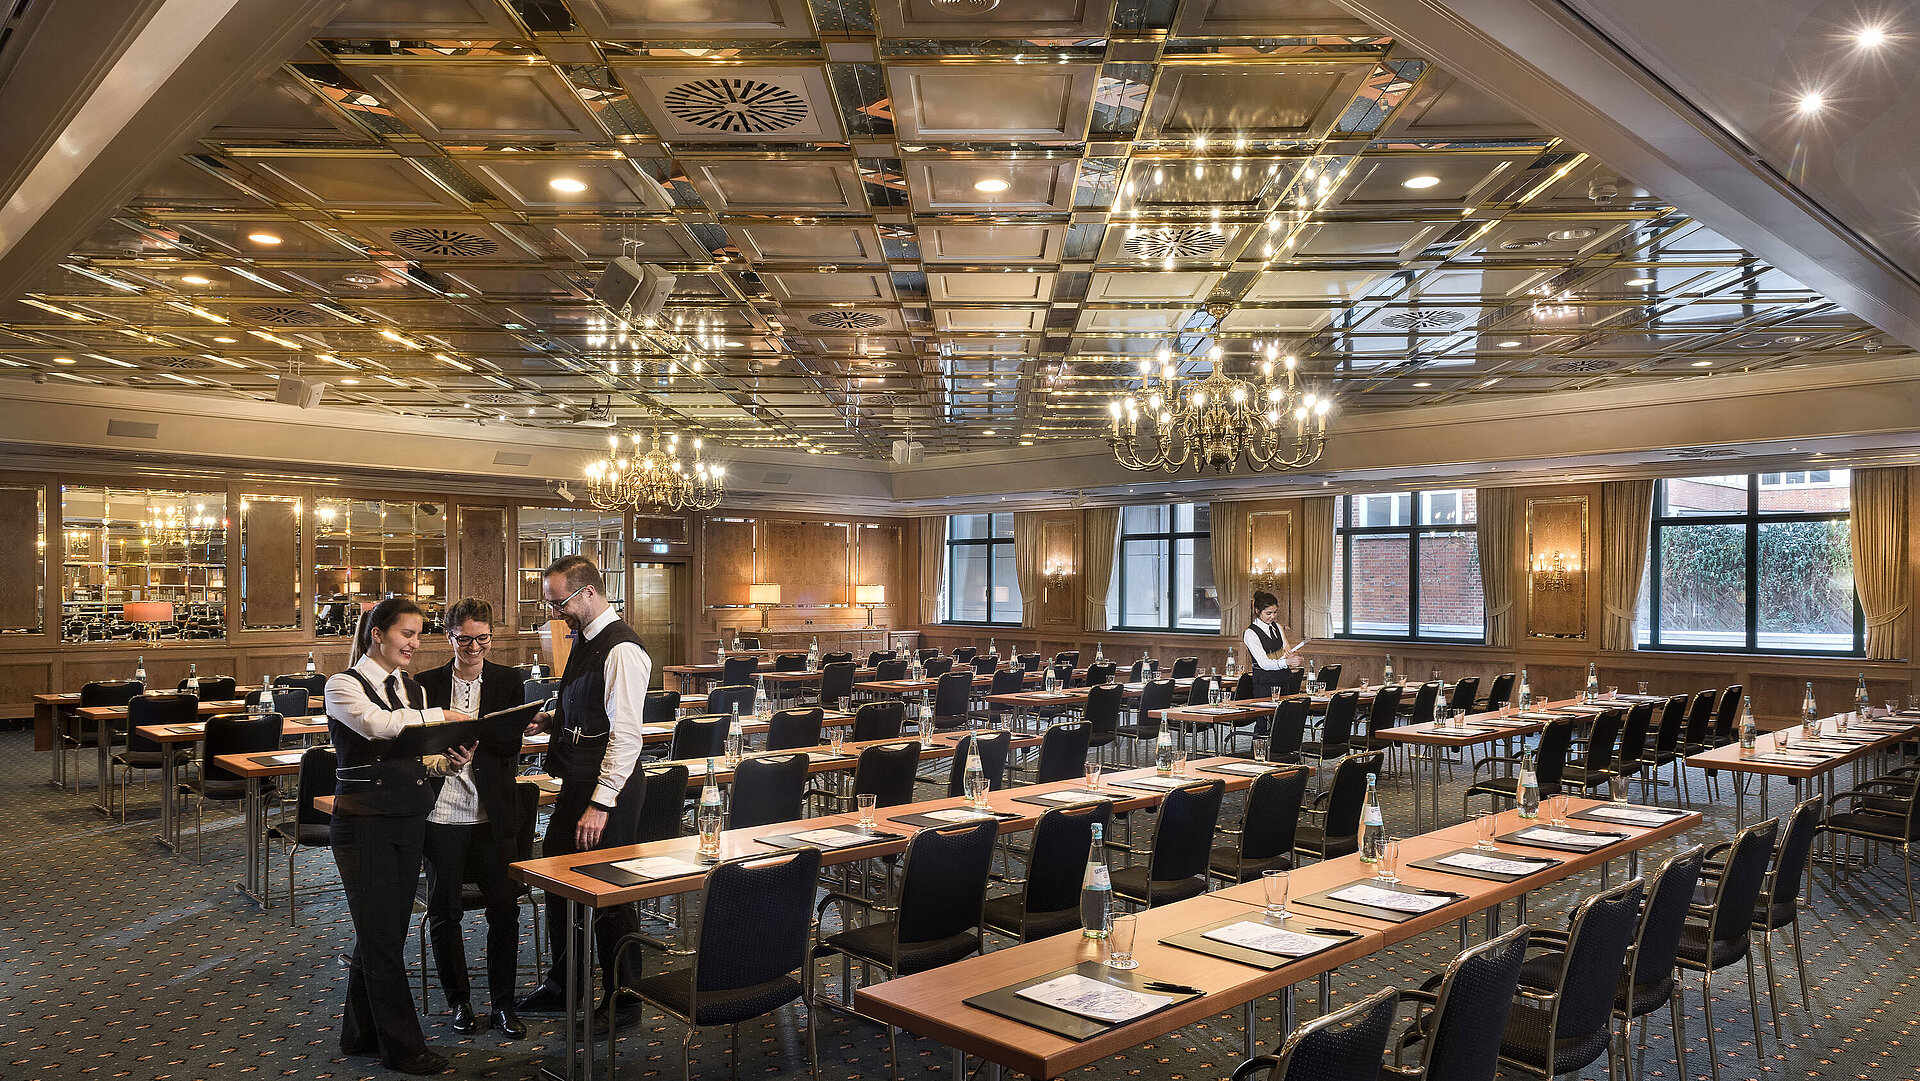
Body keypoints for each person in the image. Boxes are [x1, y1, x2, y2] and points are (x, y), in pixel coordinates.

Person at [326, 598, 473, 1075]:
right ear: (378, 634)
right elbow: (378, 726)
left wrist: (447, 763)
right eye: (406, 633)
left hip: (410, 817)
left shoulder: (411, 689)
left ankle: (359, 1034)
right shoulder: (343, 685)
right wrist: (441, 716)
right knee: (383, 937)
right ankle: (403, 1048)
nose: (414, 643)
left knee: (381, 932)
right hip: (363, 823)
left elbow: (417, 757)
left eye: (419, 634)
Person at [516, 555, 650, 1027]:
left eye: (561, 603)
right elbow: (593, 709)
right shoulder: (586, 638)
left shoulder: (622, 649)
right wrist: (552, 719)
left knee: (610, 894)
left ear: (589, 592)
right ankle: (565, 985)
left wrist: (600, 803)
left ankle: (624, 999)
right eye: (552, 605)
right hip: (579, 783)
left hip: (608, 793)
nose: (556, 613)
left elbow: (626, 736)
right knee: (559, 882)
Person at [415, 598, 529, 1040]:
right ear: (449, 637)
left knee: (505, 911)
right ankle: (459, 1002)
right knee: (445, 913)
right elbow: (418, 745)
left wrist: (477, 741)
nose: (475, 647)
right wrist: (446, 752)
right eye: (465, 640)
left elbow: (511, 746)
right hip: (441, 813)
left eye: (483, 638)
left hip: (492, 813)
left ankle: (503, 1004)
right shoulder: (424, 684)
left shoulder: (509, 680)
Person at [1243, 589, 1302, 694]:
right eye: (1268, 613)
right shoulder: (1250, 633)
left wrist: (1291, 656)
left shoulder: (1277, 627)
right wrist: (1287, 662)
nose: (1273, 616)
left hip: (1284, 678)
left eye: (1275, 612)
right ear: (1257, 611)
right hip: (1265, 683)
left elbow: (1286, 650)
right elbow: (1264, 663)